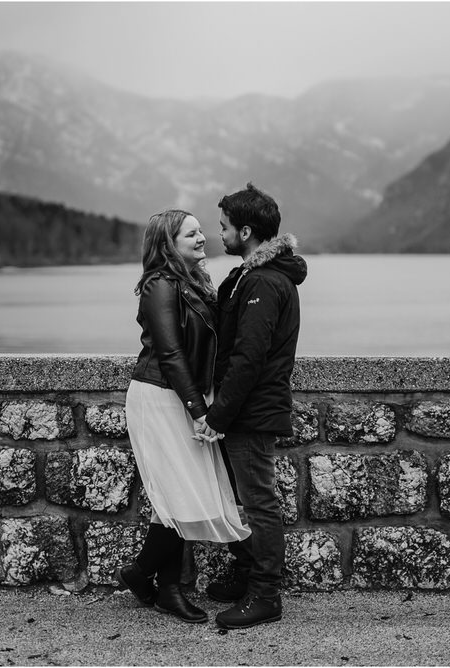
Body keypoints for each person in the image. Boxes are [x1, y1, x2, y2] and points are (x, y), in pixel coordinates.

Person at [117, 209, 251, 624]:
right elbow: (172, 354)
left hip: (183, 395)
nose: (202, 238)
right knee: (182, 497)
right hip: (161, 397)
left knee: (177, 499)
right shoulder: (160, 284)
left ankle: (159, 586)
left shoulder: (194, 283)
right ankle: (145, 576)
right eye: (190, 234)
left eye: (200, 231)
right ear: (168, 244)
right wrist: (199, 410)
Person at [195, 183, 307, 630]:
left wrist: (218, 415)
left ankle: (265, 595)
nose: (218, 234)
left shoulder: (263, 280)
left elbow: (249, 356)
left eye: (223, 227)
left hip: (252, 411)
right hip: (246, 409)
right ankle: (247, 578)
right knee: (241, 497)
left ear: (246, 231)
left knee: (259, 502)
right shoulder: (250, 276)